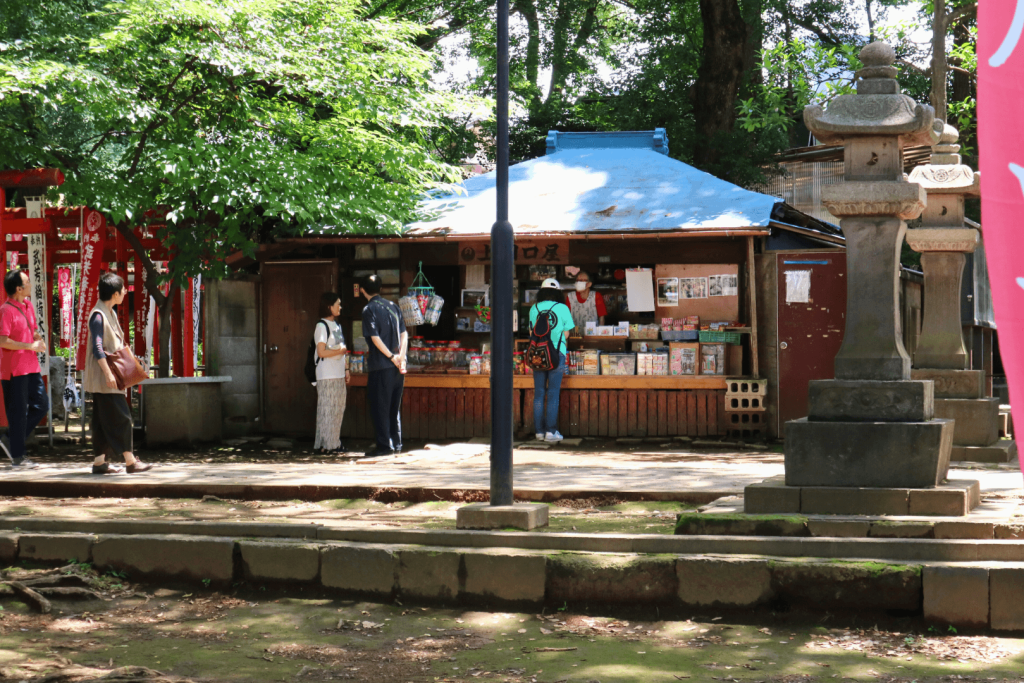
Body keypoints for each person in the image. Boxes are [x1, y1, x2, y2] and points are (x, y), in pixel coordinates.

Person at [83, 272, 151, 474]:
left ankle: (99, 463)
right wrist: (109, 374)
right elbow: (97, 348)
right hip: (106, 378)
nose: (125, 293)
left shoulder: (108, 312)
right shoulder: (98, 315)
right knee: (122, 417)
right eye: (123, 290)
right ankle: (130, 461)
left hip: (105, 378)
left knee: (102, 421)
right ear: (114, 293)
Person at [0, 269, 48, 469]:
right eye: (27, 282)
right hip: (14, 369)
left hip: (31, 366)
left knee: (41, 405)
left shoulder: (27, 305)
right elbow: (3, 340)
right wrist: (29, 346)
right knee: (18, 412)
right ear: (19, 288)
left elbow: (33, 328)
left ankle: (10, 439)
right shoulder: (5, 310)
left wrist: (37, 338)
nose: (30, 285)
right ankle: (18, 456)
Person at [360, 274, 407, 457]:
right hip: (398, 367)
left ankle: (384, 446)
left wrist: (390, 356)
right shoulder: (393, 306)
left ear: (362, 290)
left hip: (381, 365)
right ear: (380, 289)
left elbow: (374, 337)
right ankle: (396, 443)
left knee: (380, 405)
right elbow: (404, 334)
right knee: (394, 406)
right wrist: (400, 356)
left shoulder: (368, 309)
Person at [530, 278, 574, 443]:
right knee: (553, 393)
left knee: (539, 394)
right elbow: (567, 333)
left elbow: (531, 332)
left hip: (538, 355)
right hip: (557, 353)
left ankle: (539, 432)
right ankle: (551, 432)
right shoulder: (562, 308)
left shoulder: (534, 308)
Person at [314, 291, 348, 454]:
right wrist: (339, 351)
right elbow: (321, 352)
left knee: (337, 409)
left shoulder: (337, 325)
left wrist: (346, 369)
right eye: (337, 304)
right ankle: (326, 444)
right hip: (326, 374)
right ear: (329, 307)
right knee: (327, 409)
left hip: (339, 373)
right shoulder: (321, 326)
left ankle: (333, 442)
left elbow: (343, 349)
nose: (340, 307)